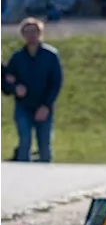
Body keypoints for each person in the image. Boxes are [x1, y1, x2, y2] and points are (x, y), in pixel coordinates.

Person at [4, 17, 63, 163]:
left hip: (43, 106)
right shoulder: (17, 58)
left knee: (44, 147)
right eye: (27, 32)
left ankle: (46, 181)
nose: (31, 35)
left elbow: (56, 83)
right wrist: (15, 88)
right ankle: (24, 180)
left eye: (34, 32)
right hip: (23, 107)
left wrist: (46, 106)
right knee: (24, 142)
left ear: (40, 33)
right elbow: (6, 80)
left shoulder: (50, 56)